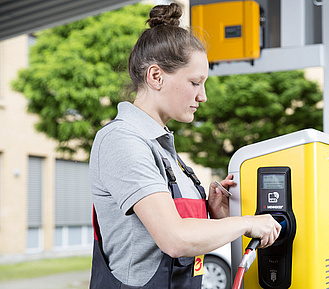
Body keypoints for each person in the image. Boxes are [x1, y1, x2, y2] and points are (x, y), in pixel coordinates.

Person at [88, 3, 281, 288]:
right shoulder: (122, 141)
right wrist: (247, 222)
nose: (202, 96)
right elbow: (175, 239)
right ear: (156, 76)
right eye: (195, 82)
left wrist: (211, 213)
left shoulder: (165, 150)